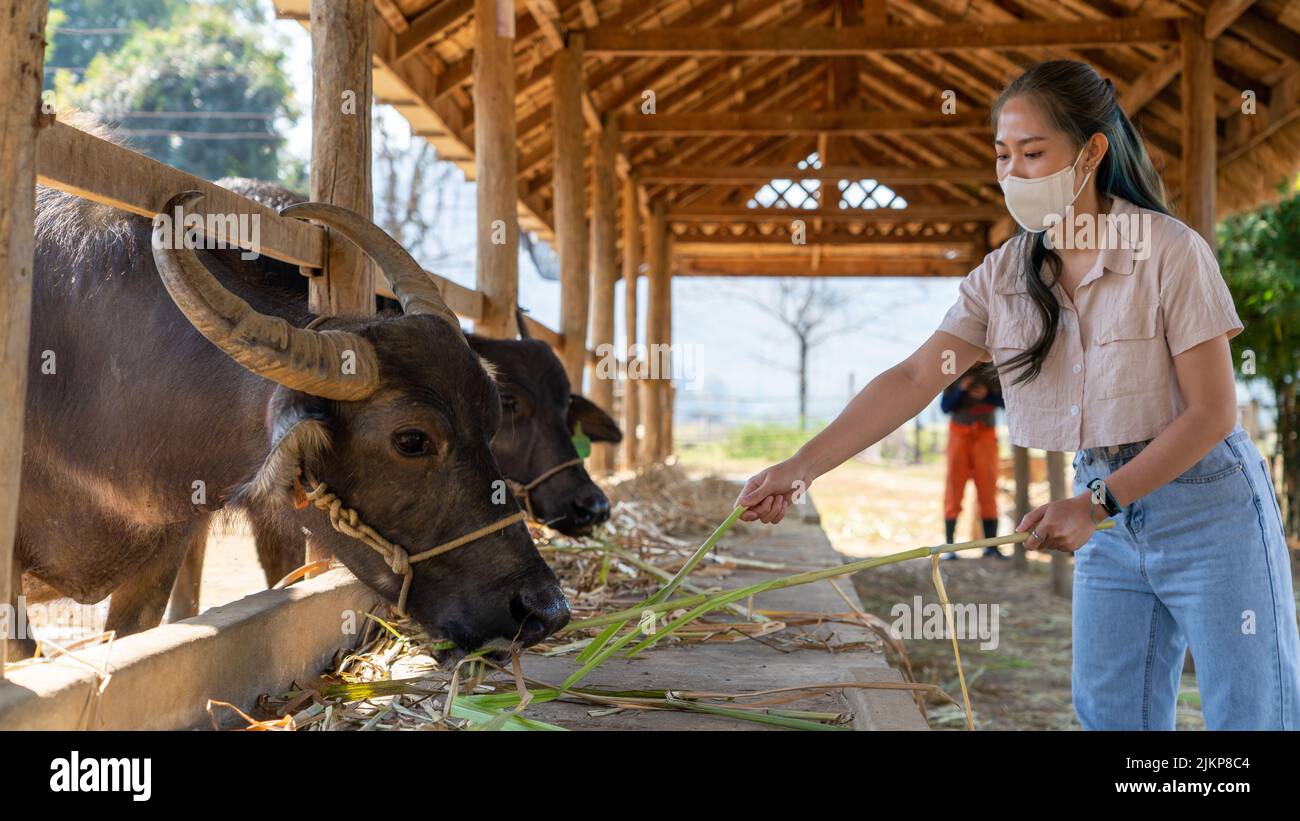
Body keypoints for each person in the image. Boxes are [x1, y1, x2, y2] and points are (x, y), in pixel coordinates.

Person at [735, 59, 1300, 730]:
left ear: (1091, 151)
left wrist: (1097, 502)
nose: (1013, 173)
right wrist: (800, 468)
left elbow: (1214, 412)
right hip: (1108, 515)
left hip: (1206, 506)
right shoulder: (1005, 274)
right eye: (1003, 155)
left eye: (1033, 154)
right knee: (1110, 716)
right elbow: (917, 377)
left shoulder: (1168, 252)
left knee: (1250, 715)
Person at [939, 364, 1005, 559]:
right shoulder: (953, 370)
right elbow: (945, 407)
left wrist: (985, 395)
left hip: (985, 436)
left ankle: (991, 546)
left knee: (988, 487)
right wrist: (961, 390)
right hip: (959, 435)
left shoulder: (994, 370)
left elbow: (1006, 403)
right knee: (954, 487)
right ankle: (949, 547)